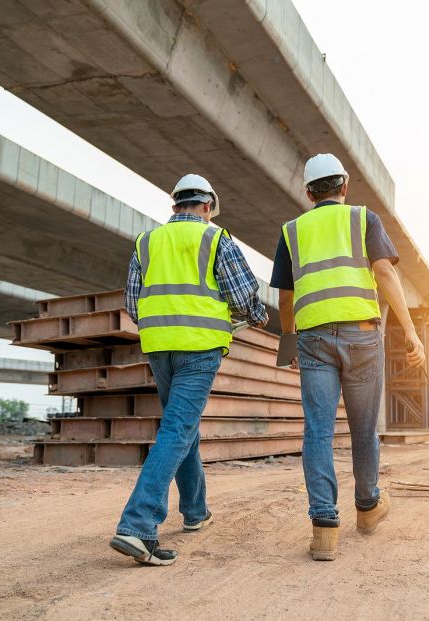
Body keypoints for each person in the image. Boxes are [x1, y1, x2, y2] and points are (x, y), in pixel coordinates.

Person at [270, 153, 426, 561]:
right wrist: (409, 331)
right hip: (361, 337)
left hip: (314, 340)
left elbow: (285, 297)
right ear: (344, 186)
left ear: (308, 192)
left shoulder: (291, 231)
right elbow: (386, 273)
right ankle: (368, 507)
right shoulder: (364, 219)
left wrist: (288, 341)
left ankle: (324, 527)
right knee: (362, 431)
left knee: (318, 432)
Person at [110, 174, 268, 566]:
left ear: (175, 204)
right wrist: (256, 315)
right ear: (208, 207)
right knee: (179, 429)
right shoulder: (216, 240)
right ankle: (138, 525)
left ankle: (195, 512)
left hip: (160, 347)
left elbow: (133, 300)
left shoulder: (147, 242)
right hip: (199, 349)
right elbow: (243, 293)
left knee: (183, 426)